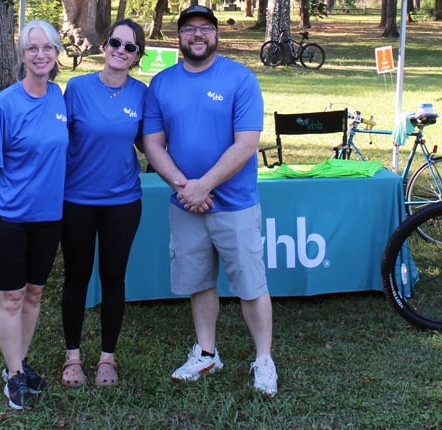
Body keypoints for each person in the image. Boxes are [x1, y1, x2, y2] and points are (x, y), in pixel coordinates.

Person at [142, 5, 278, 396]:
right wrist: (186, 186)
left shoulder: (240, 78)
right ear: (178, 37)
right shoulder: (162, 83)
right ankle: (206, 353)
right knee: (200, 282)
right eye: (188, 29)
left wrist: (206, 185)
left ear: (217, 35)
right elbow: (153, 143)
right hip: (185, 203)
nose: (197, 35)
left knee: (251, 285)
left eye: (205, 29)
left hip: (234, 203)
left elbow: (247, 144)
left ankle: (264, 360)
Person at [0, 20, 68, 410]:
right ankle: (14, 376)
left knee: (34, 294)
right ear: (22, 55)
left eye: (48, 47)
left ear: (57, 53)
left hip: (49, 218)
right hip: (10, 218)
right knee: (10, 297)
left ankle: (20, 362)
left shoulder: (59, 97)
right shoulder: (5, 104)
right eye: (32, 48)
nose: (41, 54)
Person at [59, 19, 147, 388]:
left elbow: (152, 146)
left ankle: (108, 358)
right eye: (116, 42)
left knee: (114, 278)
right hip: (76, 200)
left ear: (137, 56)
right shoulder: (76, 89)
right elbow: (54, 144)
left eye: (130, 47)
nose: (120, 50)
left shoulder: (142, 94)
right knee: (77, 277)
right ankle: (73, 357)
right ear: (104, 44)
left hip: (123, 202)